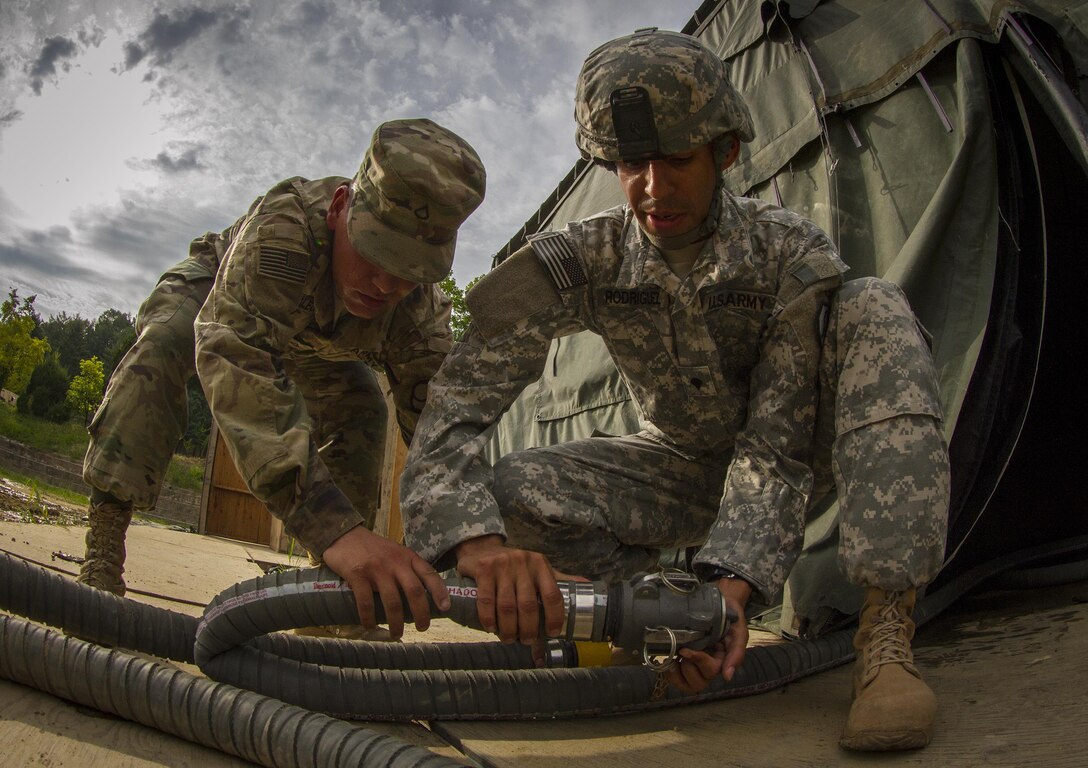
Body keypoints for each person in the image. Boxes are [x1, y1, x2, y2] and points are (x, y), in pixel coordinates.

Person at [400, 29, 950, 751]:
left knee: (873, 304)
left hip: (799, 462)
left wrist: (730, 590)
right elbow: (458, 402)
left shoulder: (787, 255)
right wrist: (473, 541)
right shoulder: (584, 260)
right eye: (631, 163)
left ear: (724, 152)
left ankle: (886, 631)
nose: (653, 189)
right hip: (681, 470)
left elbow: (776, 445)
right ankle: (644, 629)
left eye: (677, 160)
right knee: (510, 491)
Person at [79, 117, 486, 639]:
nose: (387, 283)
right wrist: (332, 525)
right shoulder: (285, 231)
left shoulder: (418, 311)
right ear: (340, 208)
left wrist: (480, 540)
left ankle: (335, 597)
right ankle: (104, 549)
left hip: (320, 346)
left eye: (412, 269)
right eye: (376, 251)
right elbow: (235, 355)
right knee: (165, 341)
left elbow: (440, 432)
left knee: (363, 404)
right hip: (222, 295)